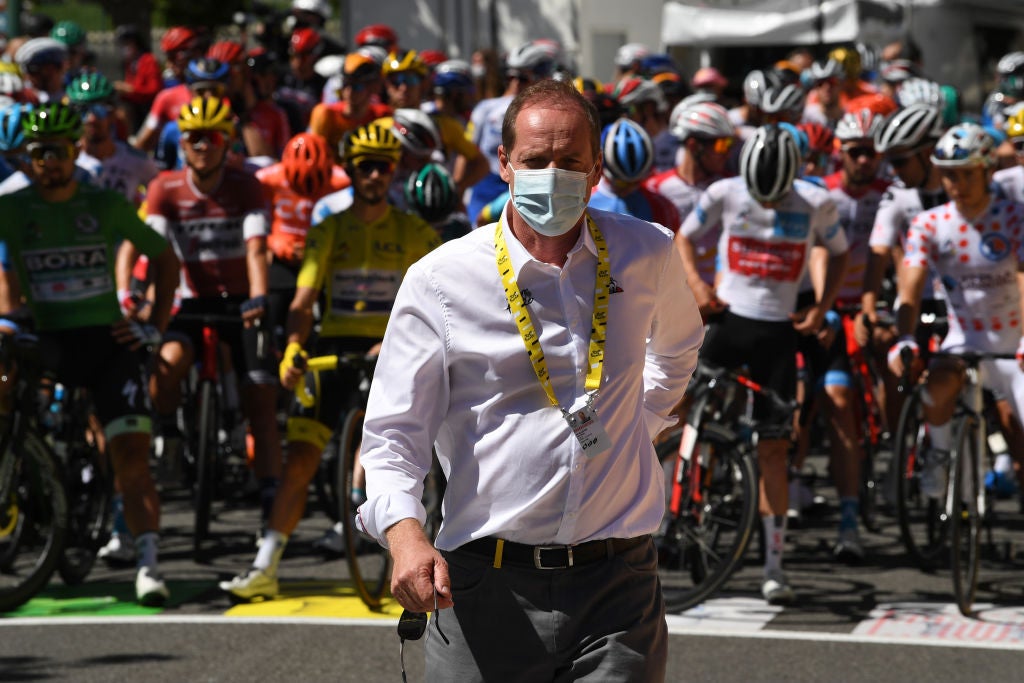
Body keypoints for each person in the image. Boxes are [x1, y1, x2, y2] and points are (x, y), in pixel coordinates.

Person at [355, 79, 703, 681]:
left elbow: (677, 349)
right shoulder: (440, 280)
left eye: (570, 162)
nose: (552, 175)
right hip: (481, 585)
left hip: (618, 587)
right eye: (536, 161)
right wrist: (406, 536)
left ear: (597, 169)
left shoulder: (647, 252)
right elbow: (392, 435)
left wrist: (636, 427)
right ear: (505, 164)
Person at [219, 122, 441, 599]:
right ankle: (265, 564)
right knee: (300, 457)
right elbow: (303, 300)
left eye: (383, 167)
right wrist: (295, 346)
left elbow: (437, 300)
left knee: (409, 454)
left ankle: (408, 556)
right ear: (350, 171)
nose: (375, 176)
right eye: (365, 167)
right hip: (334, 350)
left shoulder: (414, 231)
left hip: (392, 350)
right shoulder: (329, 229)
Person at [0, 103, 179, 605]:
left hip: (107, 343)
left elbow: (164, 258)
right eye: (38, 154)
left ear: (75, 150)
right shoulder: (12, 208)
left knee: (131, 458)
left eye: (57, 152)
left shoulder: (102, 203)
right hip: (49, 339)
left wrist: (153, 327)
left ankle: (147, 563)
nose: (48, 164)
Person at [677, 124, 848, 604]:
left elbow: (839, 252)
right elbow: (683, 240)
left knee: (774, 450)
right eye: (761, 198)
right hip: (728, 321)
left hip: (778, 333)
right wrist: (697, 286)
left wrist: (822, 306)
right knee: (678, 409)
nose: (769, 207)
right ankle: (679, 502)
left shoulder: (817, 203)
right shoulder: (724, 192)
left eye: (778, 200)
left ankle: (774, 566)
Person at [143, 96, 281, 528]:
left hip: (241, 302)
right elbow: (154, 248)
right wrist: (142, 296)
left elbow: (256, 247)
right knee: (166, 367)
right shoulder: (164, 187)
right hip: (184, 300)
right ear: (181, 144)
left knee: (260, 396)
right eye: (193, 138)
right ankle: (167, 429)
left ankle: (270, 493)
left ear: (227, 143)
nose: (203, 146)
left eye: (212, 138)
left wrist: (258, 296)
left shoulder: (245, 185)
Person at [888, 122, 1024, 497]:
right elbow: (910, 288)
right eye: (948, 176)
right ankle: (940, 454)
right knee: (938, 381)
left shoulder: (1014, 217)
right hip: (964, 339)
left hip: (1013, 344)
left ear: (987, 172)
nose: (956, 185)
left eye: (966, 175)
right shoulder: (929, 224)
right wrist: (903, 337)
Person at [588, 116, 679, 228]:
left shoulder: (662, 206)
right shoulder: (585, 200)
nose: (628, 189)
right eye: (622, 183)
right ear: (601, 169)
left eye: (636, 183)